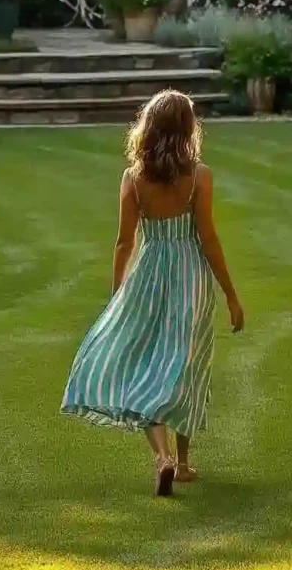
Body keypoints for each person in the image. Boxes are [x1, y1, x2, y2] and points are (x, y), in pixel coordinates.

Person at [61, 89, 245, 496]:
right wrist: (230, 294)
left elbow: (124, 243)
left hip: (148, 273)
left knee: (149, 362)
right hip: (190, 276)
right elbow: (208, 238)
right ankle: (179, 463)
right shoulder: (199, 176)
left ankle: (162, 458)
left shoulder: (133, 178)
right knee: (185, 363)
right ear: (187, 129)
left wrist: (117, 295)